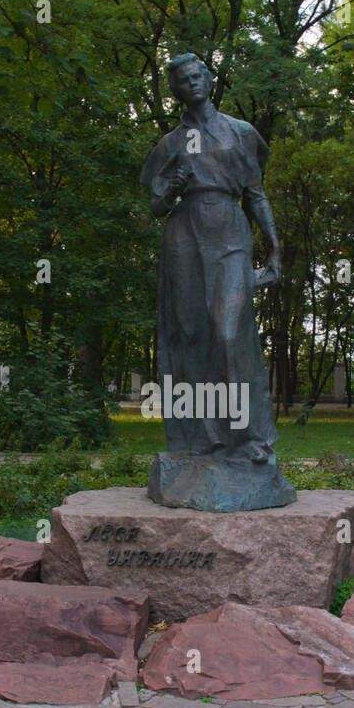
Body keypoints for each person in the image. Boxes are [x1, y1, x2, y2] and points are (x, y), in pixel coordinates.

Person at [140, 53, 284, 466]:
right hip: (184, 232)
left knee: (229, 333)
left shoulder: (241, 132)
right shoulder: (171, 142)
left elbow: (256, 194)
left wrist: (275, 249)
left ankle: (250, 436)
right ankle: (199, 439)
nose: (192, 82)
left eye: (196, 75)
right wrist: (172, 190)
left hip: (229, 230)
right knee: (191, 335)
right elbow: (155, 204)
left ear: (208, 79)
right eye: (183, 80)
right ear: (177, 91)